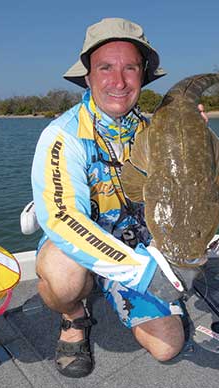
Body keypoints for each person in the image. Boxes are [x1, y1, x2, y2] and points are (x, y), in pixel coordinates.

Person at [32, 17, 191, 379]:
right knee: (63, 275)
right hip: (81, 243)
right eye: (105, 67)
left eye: (130, 68)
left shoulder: (155, 130)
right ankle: (73, 316)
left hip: (137, 241)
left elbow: (180, 193)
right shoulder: (63, 135)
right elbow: (62, 219)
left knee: (167, 348)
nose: (118, 81)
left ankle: (118, 287)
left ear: (142, 76)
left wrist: (191, 142)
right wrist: (143, 272)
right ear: (88, 77)